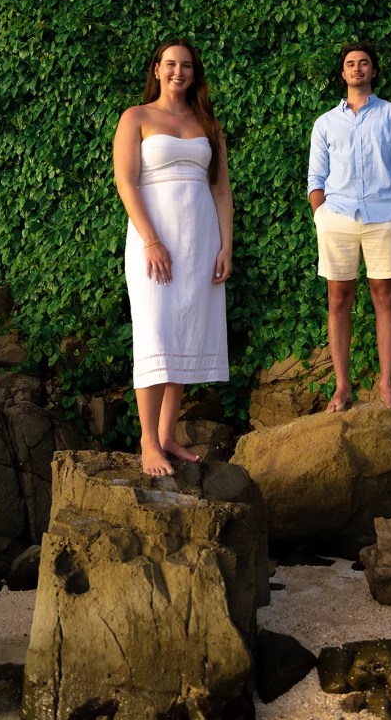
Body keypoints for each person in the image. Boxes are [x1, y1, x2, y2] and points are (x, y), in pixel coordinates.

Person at [113, 40, 232, 477]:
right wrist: (151, 240)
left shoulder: (208, 124)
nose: (178, 72)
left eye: (186, 66)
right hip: (153, 242)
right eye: (170, 64)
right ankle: (147, 442)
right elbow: (126, 183)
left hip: (199, 242)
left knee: (183, 332)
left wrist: (226, 246)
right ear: (157, 70)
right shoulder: (136, 117)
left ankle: (167, 436)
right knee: (156, 333)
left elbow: (221, 191)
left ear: (194, 73)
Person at [307, 41, 391, 412]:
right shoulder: (325, 123)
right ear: (342, 73)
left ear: (373, 71)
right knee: (338, 301)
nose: (357, 68)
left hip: (383, 218)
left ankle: (387, 386)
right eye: (350, 63)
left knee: (385, 298)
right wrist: (320, 214)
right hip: (337, 218)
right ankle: (342, 387)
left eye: (364, 63)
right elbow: (315, 177)